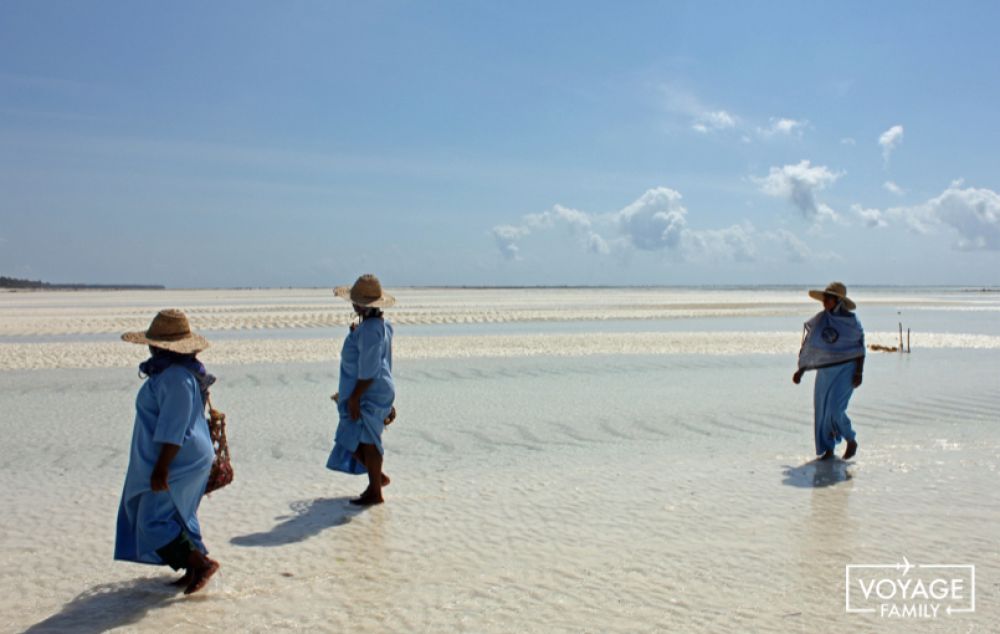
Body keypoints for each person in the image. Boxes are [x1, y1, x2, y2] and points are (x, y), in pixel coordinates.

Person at [115, 309, 220, 594]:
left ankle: (201, 564)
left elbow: (174, 427)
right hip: (183, 456)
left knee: (152, 520)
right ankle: (192, 566)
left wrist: (162, 467)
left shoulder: (174, 377)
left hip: (178, 459)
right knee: (178, 514)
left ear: (157, 345)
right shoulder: (175, 372)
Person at [327, 274, 396, 506]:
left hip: (368, 392)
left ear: (359, 304)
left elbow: (371, 369)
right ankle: (375, 482)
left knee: (364, 439)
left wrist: (355, 397)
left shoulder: (370, 330)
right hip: (374, 390)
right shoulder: (380, 326)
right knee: (359, 437)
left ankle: (376, 489)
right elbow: (384, 363)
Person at [793, 282, 865, 461]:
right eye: (824, 299)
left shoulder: (851, 322)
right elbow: (810, 345)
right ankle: (828, 448)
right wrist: (800, 370)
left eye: (828, 299)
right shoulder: (820, 320)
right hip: (826, 370)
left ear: (838, 301)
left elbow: (860, 348)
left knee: (835, 409)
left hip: (847, 369)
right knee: (822, 410)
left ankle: (851, 439)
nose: (825, 302)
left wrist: (859, 373)